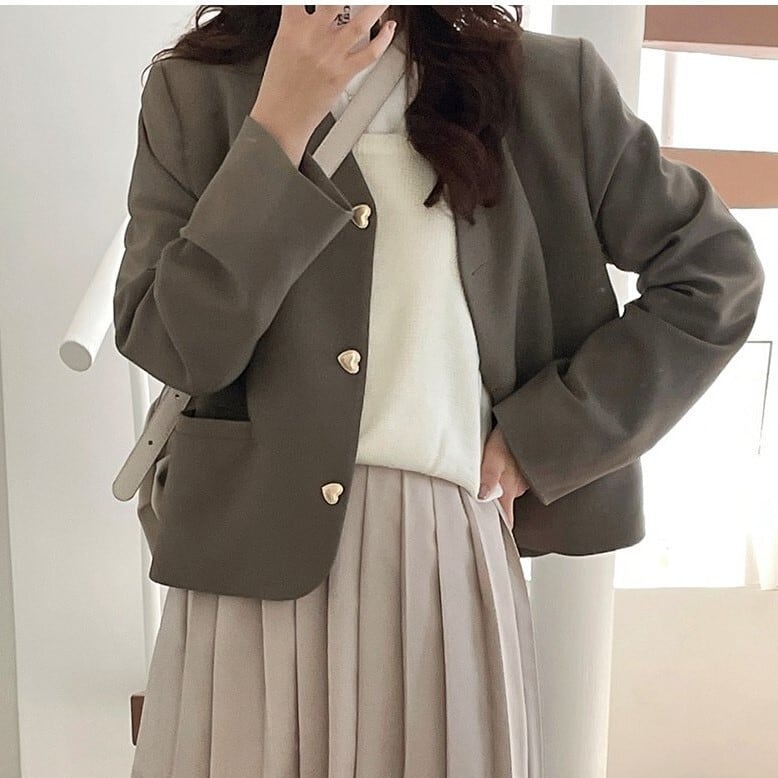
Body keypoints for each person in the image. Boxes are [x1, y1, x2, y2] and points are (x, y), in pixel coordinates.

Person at [116, 5, 763, 777]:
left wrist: (545, 435)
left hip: (442, 561)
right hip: (248, 571)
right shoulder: (195, 91)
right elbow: (172, 343)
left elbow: (714, 275)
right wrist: (279, 125)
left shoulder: (545, 87)